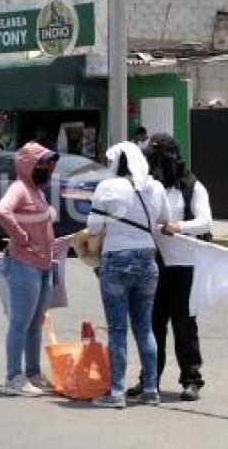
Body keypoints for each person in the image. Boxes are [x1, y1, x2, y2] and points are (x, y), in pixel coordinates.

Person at [127, 134, 212, 402]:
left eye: (154, 157)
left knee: (184, 325)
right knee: (152, 325)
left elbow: (205, 222)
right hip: (155, 263)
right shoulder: (150, 187)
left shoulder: (192, 187)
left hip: (184, 266)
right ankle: (149, 380)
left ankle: (192, 379)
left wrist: (179, 227)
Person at [87, 142, 170, 408]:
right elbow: (163, 220)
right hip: (147, 260)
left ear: (116, 162)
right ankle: (150, 390)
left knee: (118, 330)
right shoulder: (155, 187)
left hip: (116, 261)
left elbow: (93, 227)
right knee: (145, 329)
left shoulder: (107, 187)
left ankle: (117, 392)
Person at [0, 143, 59, 395]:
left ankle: (33, 373)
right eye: (43, 163)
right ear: (28, 165)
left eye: (50, 164)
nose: (48, 168)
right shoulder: (19, 188)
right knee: (20, 323)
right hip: (24, 264)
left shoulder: (37, 191)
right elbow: (2, 212)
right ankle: (13, 377)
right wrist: (21, 237)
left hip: (42, 265)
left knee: (35, 323)